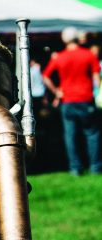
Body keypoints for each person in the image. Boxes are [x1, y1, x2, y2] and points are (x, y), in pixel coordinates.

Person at [42, 26, 101, 176]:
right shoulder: (88, 55)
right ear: (77, 38)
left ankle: (75, 168)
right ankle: (95, 167)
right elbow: (96, 78)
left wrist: (56, 91)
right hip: (86, 99)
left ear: (64, 40)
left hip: (68, 101)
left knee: (71, 136)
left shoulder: (60, 57)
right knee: (92, 134)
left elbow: (46, 76)